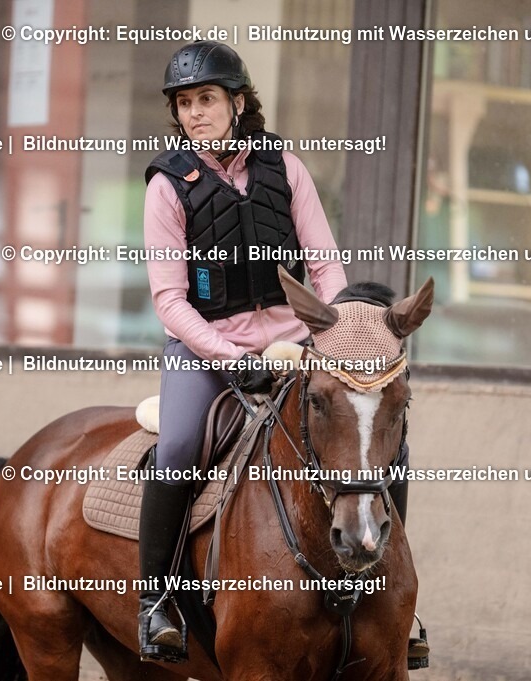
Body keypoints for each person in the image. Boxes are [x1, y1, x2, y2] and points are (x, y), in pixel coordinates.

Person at [138, 40, 419, 663]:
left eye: (207, 99)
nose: (195, 113)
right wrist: (230, 359)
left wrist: (338, 337)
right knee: (178, 447)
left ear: (238, 102)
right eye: (184, 104)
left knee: (381, 439)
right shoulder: (166, 187)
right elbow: (170, 300)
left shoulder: (285, 167)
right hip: (207, 351)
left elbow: (325, 265)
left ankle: (395, 597)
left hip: (298, 345)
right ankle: (155, 601)